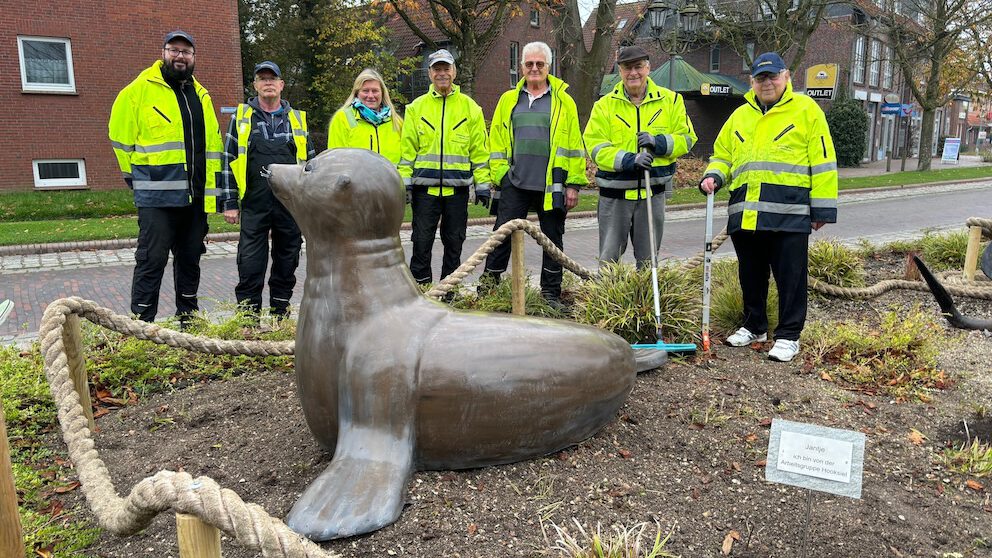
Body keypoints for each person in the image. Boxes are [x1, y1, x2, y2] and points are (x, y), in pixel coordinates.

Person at [699, 52, 838, 362]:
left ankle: (789, 336)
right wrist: (713, 176)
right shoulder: (739, 115)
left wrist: (823, 210)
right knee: (751, 274)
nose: (767, 83)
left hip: (789, 214)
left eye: (773, 76)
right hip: (746, 213)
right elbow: (722, 155)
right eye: (761, 78)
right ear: (752, 82)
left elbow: (824, 160)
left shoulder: (807, 110)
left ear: (786, 76)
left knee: (791, 277)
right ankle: (755, 326)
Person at [109, 31, 224, 326]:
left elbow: (212, 145)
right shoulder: (137, 91)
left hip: (195, 197)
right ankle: (142, 324)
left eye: (186, 51)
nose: (180, 56)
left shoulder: (201, 95)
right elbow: (120, 140)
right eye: (174, 50)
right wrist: (136, 178)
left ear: (194, 57)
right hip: (157, 197)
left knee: (190, 260)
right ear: (163, 53)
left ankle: (188, 320)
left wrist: (213, 191)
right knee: (151, 260)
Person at [479, 41, 587, 308]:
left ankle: (550, 294)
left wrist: (573, 184)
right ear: (522, 67)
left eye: (540, 64)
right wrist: (502, 174)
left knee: (552, 242)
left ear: (548, 67)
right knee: (501, 236)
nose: (535, 68)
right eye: (530, 64)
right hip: (515, 182)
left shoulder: (564, 102)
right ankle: (487, 290)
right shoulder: (508, 100)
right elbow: (497, 142)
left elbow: (575, 145)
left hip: (553, 184)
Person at [583, 45, 697, 268]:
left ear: (648, 68)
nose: (633, 73)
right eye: (627, 68)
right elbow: (595, 147)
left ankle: (645, 302)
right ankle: (609, 302)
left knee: (648, 263)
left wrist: (658, 142)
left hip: (652, 194)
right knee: (609, 262)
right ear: (620, 71)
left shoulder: (671, 101)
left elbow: (687, 138)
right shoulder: (604, 106)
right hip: (614, 195)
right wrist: (629, 160)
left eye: (638, 67)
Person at [221, 61, 315, 319]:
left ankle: (279, 314)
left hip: (290, 204)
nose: (268, 83)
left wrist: (310, 203)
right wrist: (229, 202)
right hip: (254, 202)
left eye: (272, 78)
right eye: (262, 79)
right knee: (250, 262)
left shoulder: (296, 119)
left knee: (287, 259)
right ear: (255, 85)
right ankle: (248, 317)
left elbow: (311, 164)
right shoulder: (241, 118)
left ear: (281, 85)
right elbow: (228, 159)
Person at [398, 49, 491, 287]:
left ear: (454, 71)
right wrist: (405, 184)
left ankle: (449, 292)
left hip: (457, 193)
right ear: (429, 73)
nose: (442, 74)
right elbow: (407, 152)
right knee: (420, 243)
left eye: (446, 69)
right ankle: (422, 290)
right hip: (424, 193)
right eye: (437, 69)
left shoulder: (471, 108)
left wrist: (482, 185)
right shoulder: (416, 108)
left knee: (454, 244)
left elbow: (479, 151)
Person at [327, 69, 403, 164]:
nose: (370, 95)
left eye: (375, 91)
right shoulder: (342, 118)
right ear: (357, 93)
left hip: (391, 179)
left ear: (382, 93)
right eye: (365, 91)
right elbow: (335, 160)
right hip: (356, 179)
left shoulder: (396, 121)